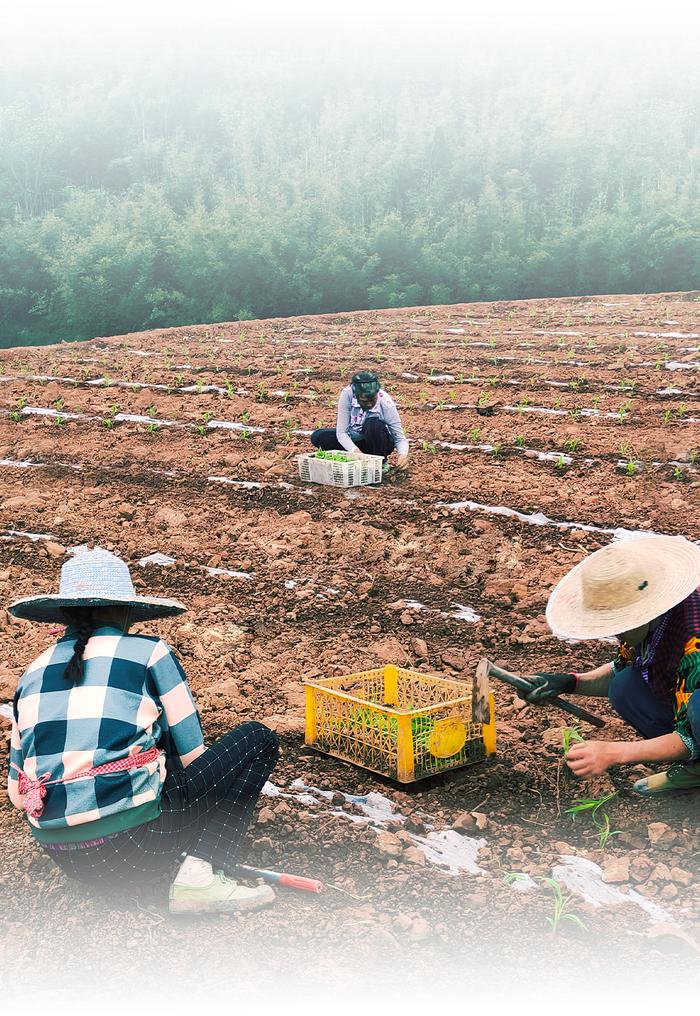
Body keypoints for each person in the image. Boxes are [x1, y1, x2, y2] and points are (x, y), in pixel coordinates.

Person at [7, 547, 279, 914]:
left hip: (67, 859)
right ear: (126, 609)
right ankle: (201, 875)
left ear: (65, 613)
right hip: (134, 852)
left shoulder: (32, 671)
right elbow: (193, 757)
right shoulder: (150, 653)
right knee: (257, 739)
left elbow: (17, 793)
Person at [523, 535, 700, 795]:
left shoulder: (694, 639)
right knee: (625, 685)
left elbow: (688, 732)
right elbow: (621, 668)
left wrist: (614, 752)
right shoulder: (651, 621)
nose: (616, 634)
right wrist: (568, 682)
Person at [310, 370, 409, 472]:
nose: (370, 405)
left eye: (373, 400)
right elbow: (342, 433)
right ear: (356, 396)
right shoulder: (347, 395)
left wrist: (403, 455)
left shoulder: (386, 403)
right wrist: (357, 453)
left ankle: (380, 463)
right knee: (319, 436)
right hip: (356, 440)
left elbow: (400, 438)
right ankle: (356, 458)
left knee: (372, 423)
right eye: (365, 401)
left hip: (378, 441)